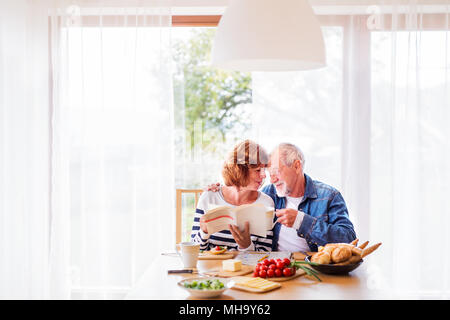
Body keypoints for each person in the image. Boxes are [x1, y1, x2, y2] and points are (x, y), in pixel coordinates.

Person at [207, 142, 356, 252]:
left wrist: (301, 221)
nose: (272, 179)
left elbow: (349, 239)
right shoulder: (268, 194)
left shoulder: (329, 196)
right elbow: (241, 190)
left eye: (276, 171)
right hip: (277, 270)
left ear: (297, 166)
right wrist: (220, 188)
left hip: (315, 270)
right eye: (269, 173)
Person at [191, 140, 275, 252]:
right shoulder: (209, 197)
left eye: (264, 170)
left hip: (247, 268)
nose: (264, 175)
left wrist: (246, 246)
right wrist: (204, 232)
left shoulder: (266, 203)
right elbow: (193, 250)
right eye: (258, 170)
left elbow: (265, 254)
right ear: (240, 170)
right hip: (212, 268)